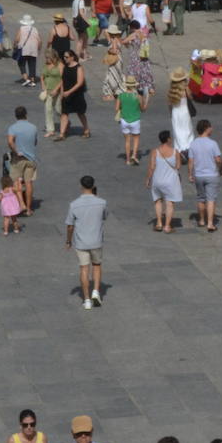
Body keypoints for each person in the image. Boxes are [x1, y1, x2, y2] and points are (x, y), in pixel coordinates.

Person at [64, 175, 107, 309]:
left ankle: (87, 299)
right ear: (93, 186)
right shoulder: (102, 202)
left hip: (81, 242)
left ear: (81, 186)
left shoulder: (74, 205)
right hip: (96, 241)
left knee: (84, 268)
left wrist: (68, 240)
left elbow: (70, 226)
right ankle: (96, 291)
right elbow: (104, 216)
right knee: (97, 265)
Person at [187, 119, 222, 231]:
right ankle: (210, 223)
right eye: (210, 127)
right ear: (206, 129)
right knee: (211, 199)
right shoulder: (213, 143)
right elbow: (218, 160)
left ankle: (202, 220)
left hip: (199, 175)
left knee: (201, 198)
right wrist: (221, 169)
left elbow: (190, 161)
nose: (212, 129)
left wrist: (190, 174)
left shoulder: (193, 144)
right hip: (212, 175)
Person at [145, 131, 183, 234]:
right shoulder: (175, 152)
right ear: (168, 139)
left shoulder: (155, 151)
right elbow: (178, 166)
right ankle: (167, 226)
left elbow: (152, 167)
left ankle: (159, 223)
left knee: (157, 201)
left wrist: (148, 179)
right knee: (169, 203)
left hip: (157, 180)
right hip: (171, 182)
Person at [6, 106, 38, 214]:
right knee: (29, 183)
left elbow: (10, 141)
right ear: (26, 115)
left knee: (16, 181)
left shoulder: (13, 128)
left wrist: (16, 151)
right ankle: (28, 209)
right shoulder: (33, 127)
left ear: (16, 116)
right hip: (31, 159)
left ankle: (21, 204)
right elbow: (35, 142)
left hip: (18, 159)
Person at [57, 51, 89, 140]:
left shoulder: (78, 67)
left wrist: (69, 92)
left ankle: (86, 129)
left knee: (80, 113)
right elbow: (62, 80)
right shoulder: (65, 67)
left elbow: (80, 83)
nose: (65, 58)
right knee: (64, 113)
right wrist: (62, 92)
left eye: (67, 57)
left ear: (72, 57)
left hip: (77, 94)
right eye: (64, 57)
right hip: (66, 94)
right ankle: (62, 134)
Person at [113, 76, 145, 166]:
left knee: (127, 141)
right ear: (134, 85)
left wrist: (122, 108)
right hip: (135, 120)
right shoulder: (138, 96)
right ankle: (134, 155)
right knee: (136, 139)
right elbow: (142, 109)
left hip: (124, 120)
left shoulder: (121, 96)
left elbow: (116, 109)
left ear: (126, 85)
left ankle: (127, 160)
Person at [165, 67, 194, 155]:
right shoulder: (185, 89)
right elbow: (191, 98)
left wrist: (171, 114)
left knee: (177, 131)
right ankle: (188, 147)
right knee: (187, 130)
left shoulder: (171, 90)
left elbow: (169, 105)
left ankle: (180, 149)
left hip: (175, 113)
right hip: (185, 112)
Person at [15, 14, 41, 86]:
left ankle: (26, 79)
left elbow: (17, 39)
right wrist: (38, 49)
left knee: (21, 63)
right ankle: (32, 80)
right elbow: (39, 41)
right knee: (32, 64)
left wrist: (15, 45)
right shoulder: (35, 29)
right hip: (33, 49)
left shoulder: (21, 29)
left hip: (24, 49)